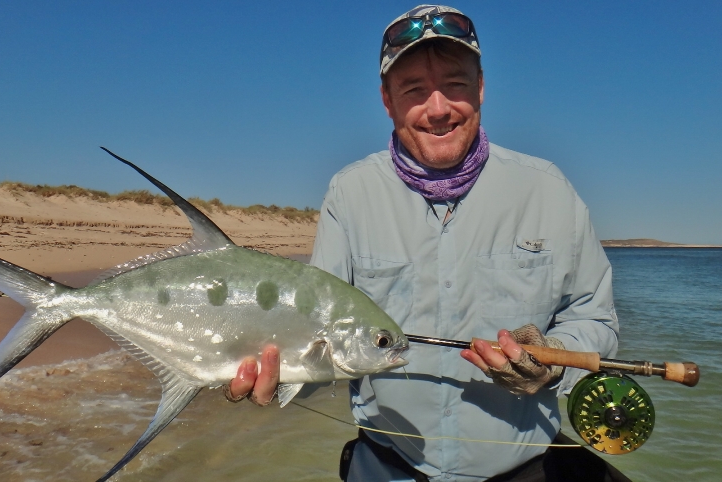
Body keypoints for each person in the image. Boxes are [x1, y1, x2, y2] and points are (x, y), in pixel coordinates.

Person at [226, 5, 627, 481]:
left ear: (480, 87)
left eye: (455, 84)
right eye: (414, 90)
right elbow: (317, 334)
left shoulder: (549, 189)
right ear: (387, 100)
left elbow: (594, 317)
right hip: (385, 467)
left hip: (526, 470)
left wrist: (554, 358)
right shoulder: (349, 193)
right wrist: (270, 375)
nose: (438, 109)